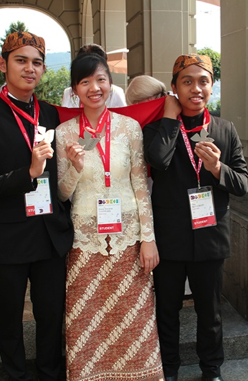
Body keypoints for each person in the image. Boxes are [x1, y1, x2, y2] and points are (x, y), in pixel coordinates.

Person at [0, 32, 73, 381]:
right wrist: (28, 172)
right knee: (9, 316)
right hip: (8, 238)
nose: (30, 68)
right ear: (3, 64)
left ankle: (50, 373)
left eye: (37, 62)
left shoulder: (55, 115)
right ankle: (15, 375)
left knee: (51, 314)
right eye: (21, 60)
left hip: (49, 235)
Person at [56, 53, 163, 381]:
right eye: (85, 81)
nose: (94, 87)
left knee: (134, 317)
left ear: (110, 84)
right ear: (75, 90)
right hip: (85, 242)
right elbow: (61, 194)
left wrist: (149, 239)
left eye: (100, 79)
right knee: (86, 318)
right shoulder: (64, 133)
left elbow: (140, 185)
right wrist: (74, 168)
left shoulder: (129, 128)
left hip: (128, 239)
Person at [143, 54, 248, 381]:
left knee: (211, 313)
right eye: (187, 81)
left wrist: (218, 168)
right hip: (170, 239)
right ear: (174, 88)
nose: (196, 88)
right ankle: (169, 370)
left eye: (203, 81)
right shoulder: (158, 128)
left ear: (212, 86)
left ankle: (211, 370)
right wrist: (171, 120)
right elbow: (158, 161)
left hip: (210, 238)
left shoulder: (224, 129)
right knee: (167, 312)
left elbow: (243, 185)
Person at [61, 44, 127, 108]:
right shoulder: (68, 93)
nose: (94, 89)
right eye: (85, 82)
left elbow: (124, 114)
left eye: (100, 79)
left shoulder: (116, 92)